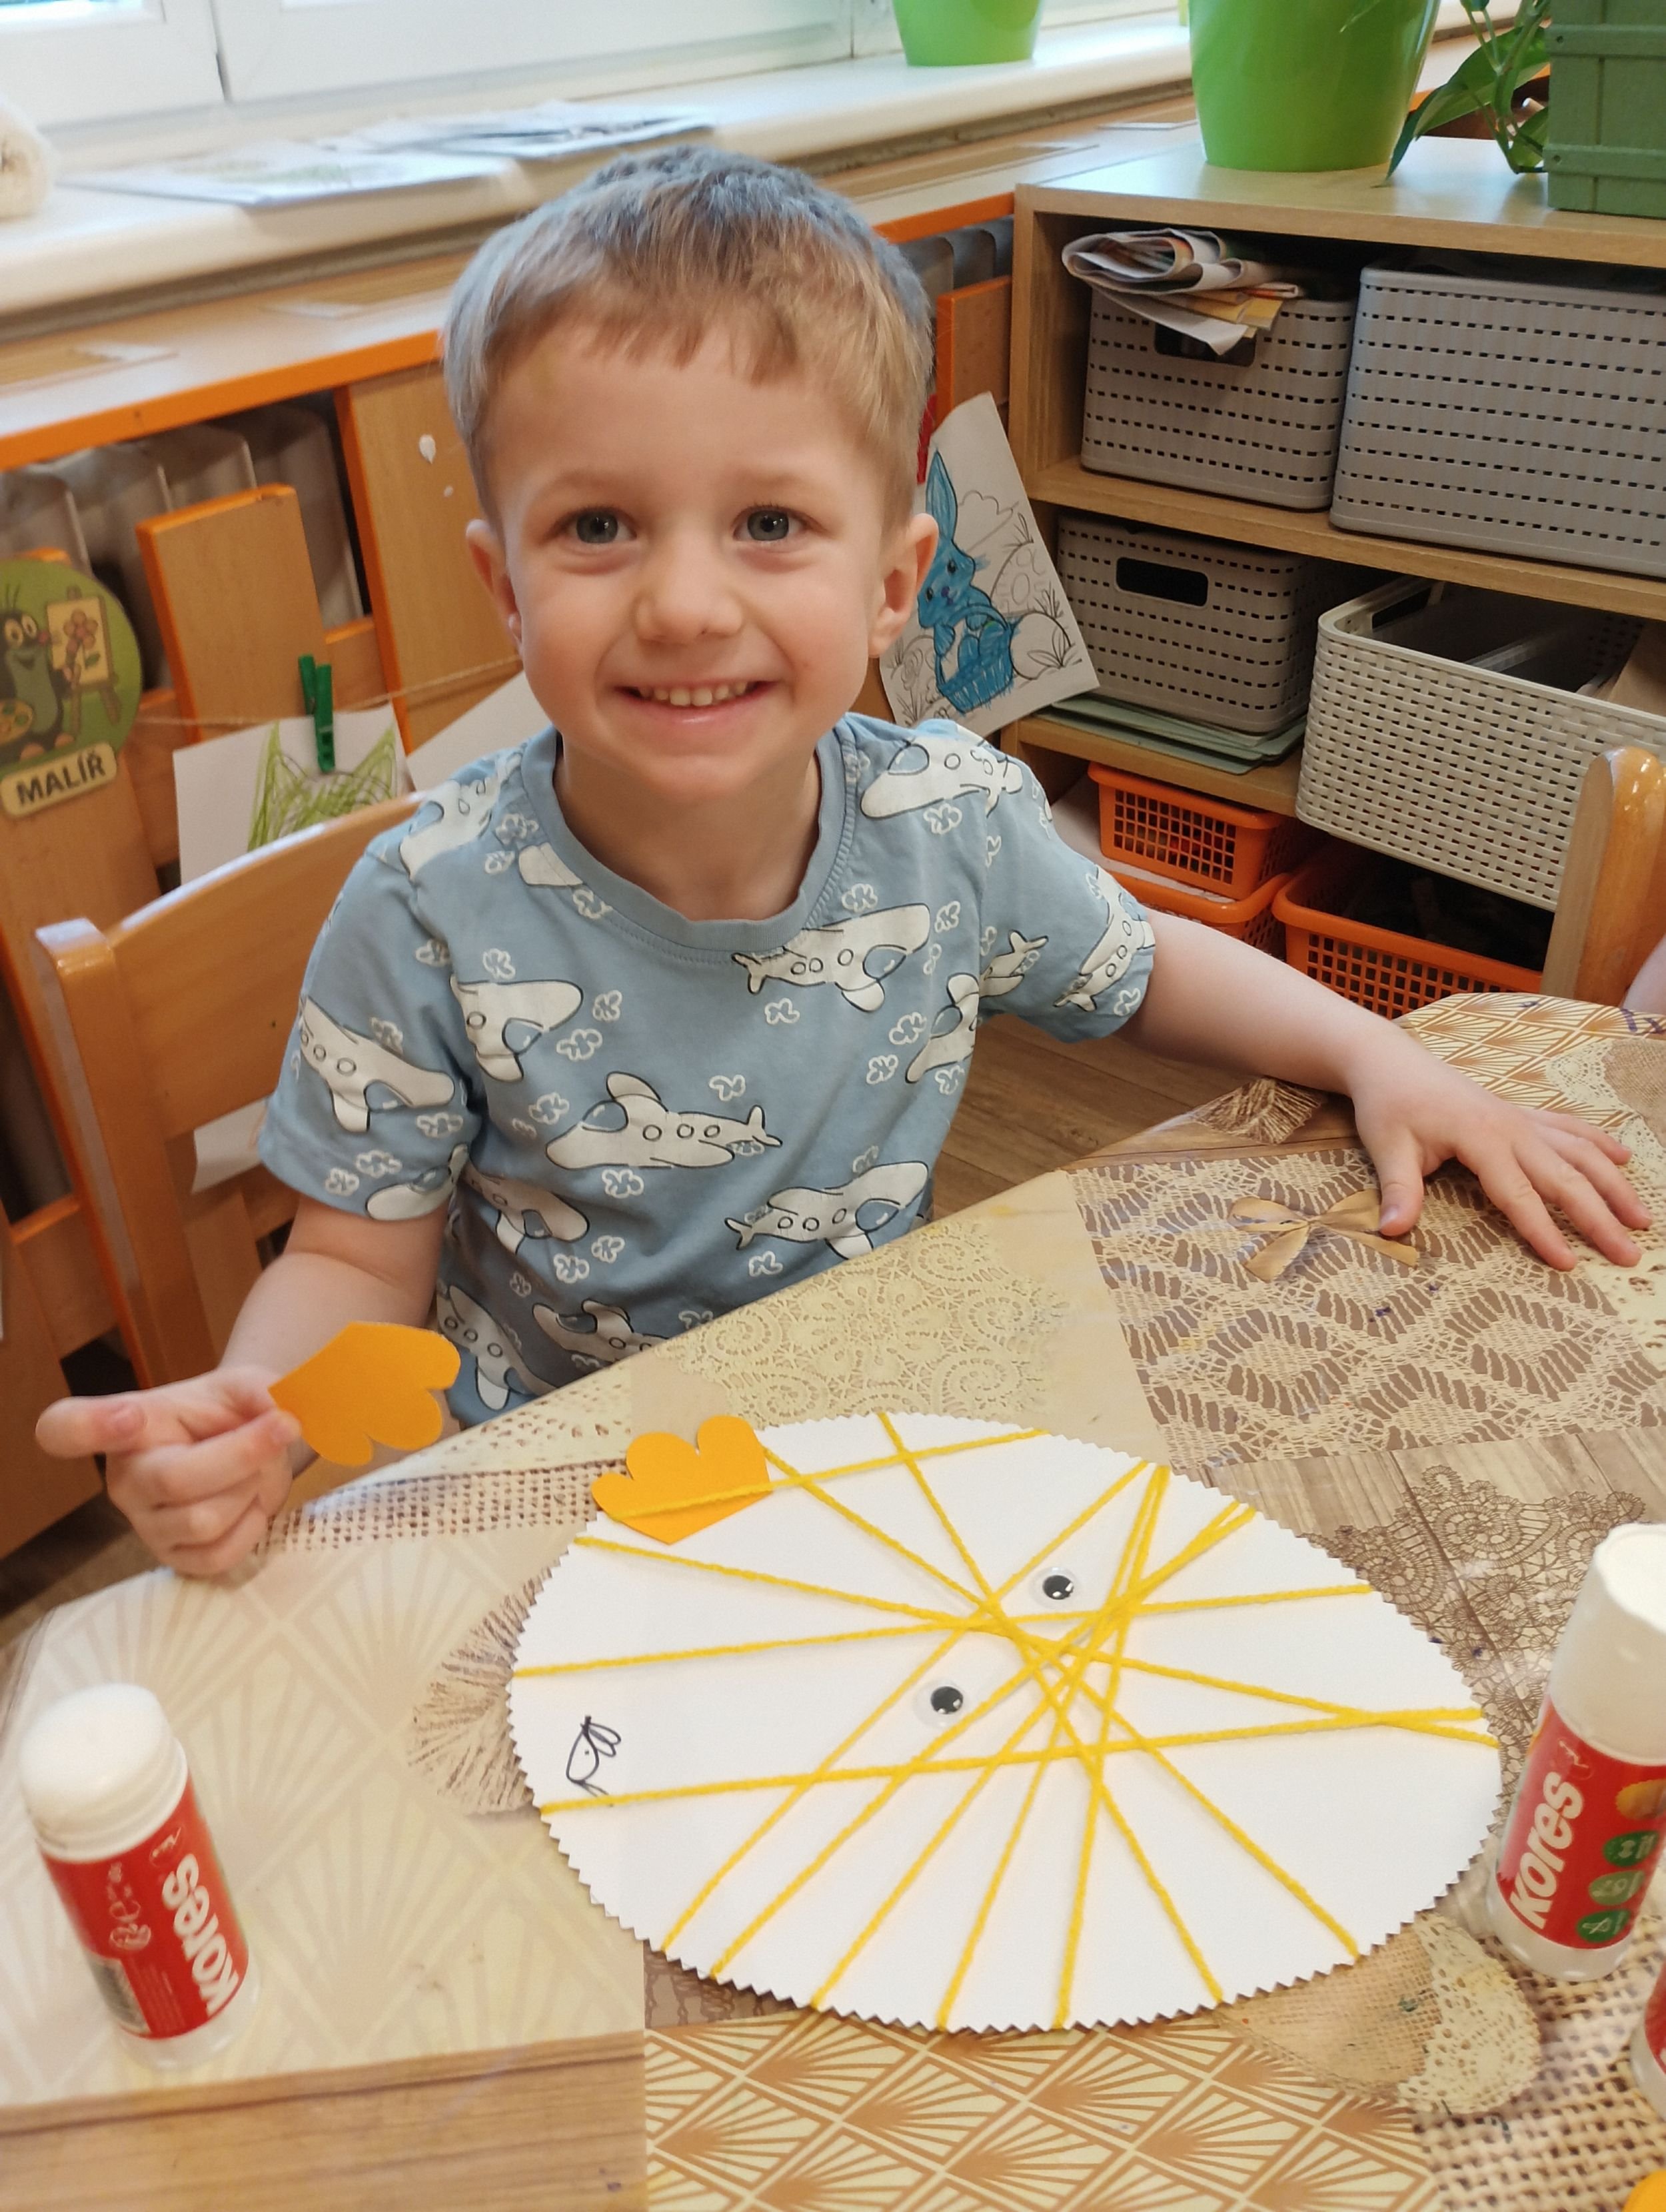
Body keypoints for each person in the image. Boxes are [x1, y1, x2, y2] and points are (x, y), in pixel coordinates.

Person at [36, 149, 1648, 1575]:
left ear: (892, 586)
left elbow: (1145, 962)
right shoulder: (423, 911)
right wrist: (262, 1414)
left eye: (767, 525)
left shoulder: (950, 821)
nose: (683, 605)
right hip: (542, 1490)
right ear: (504, 587)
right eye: (596, 527)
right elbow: (346, 1257)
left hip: (860, 1437)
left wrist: (1377, 1054)